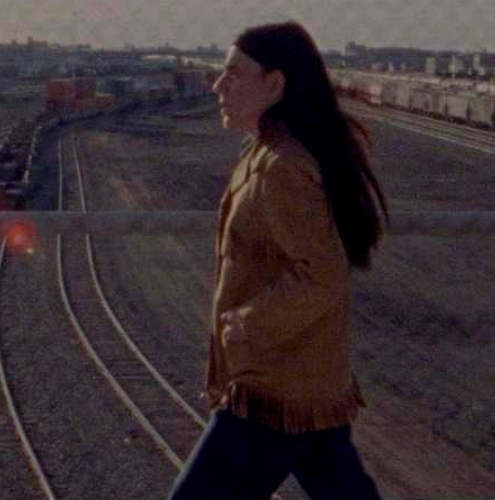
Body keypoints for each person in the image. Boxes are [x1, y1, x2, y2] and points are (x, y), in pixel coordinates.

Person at [169, 21, 389, 500]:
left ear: (275, 84)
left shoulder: (281, 167)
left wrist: (243, 327)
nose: (217, 86)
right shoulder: (263, 153)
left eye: (233, 75)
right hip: (305, 388)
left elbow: (323, 277)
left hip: (272, 395)